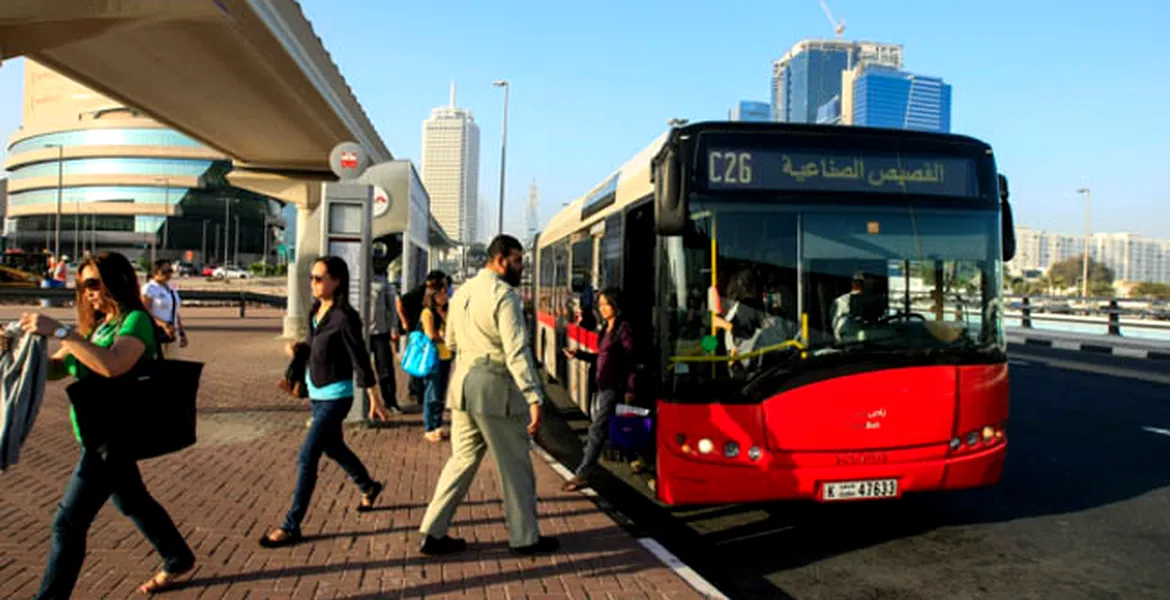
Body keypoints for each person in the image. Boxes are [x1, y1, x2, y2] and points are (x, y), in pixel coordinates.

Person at [19, 251, 195, 597]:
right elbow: (58, 368)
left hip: (111, 438)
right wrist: (20, 351)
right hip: (97, 433)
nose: (88, 293)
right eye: (83, 286)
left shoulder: (135, 322)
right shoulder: (101, 326)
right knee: (132, 501)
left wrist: (61, 330)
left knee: (67, 524)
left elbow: (113, 365)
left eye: (94, 284)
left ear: (118, 281)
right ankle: (177, 556)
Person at [417, 235, 558, 556]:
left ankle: (432, 530)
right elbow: (516, 350)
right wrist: (534, 395)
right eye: (518, 260)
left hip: (464, 384)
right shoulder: (504, 296)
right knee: (515, 466)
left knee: (461, 460)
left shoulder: (463, 291)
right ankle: (525, 538)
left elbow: (450, 340)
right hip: (496, 387)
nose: (522, 267)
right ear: (500, 259)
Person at [259, 256, 390, 548]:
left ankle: (291, 526)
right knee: (334, 448)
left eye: (319, 278)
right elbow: (314, 346)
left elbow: (360, 359)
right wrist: (298, 351)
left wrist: (374, 398)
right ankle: (368, 485)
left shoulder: (345, 317)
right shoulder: (317, 311)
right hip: (317, 393)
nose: (313, 283)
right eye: (312, 278)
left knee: (307, 456)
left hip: (336, 397)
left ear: (336, 281)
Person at [561, 288, 636, 491]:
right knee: (605, 427)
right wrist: (579, 355)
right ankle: (635, 458)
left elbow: (630, 362)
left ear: (616, 305)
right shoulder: (605, 328)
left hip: (613, 386)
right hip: (601, 385)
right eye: (600, 304)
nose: (602, 308)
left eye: (606, 304)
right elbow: (602, 357)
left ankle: (582, 474)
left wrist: (630, 388)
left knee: (596, 429)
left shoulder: (624, 329)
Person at [396, 270, 448, 402]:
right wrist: (404, 321)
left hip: (426, 328)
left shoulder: (437, 294)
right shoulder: (420, 291)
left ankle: (419, 391)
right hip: (418, 329)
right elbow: (400, 302)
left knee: (425, 358)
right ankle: (416, 390)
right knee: (419, 357)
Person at [420, 284, 453, 442]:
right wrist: (445, 337)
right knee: (431, 392)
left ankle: (438, 425)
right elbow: (430, 335)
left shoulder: (446, 311)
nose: (445, 295)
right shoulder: (428, 313)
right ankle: (429, 427)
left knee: (440, 393)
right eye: (442, 293)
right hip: (433, 356)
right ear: (433, 296)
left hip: (446, 356)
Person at [369, 260, 402, 414]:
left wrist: (393, 328)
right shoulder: (353, 281)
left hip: (380, 333)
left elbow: (392, 308)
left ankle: (390, 401)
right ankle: (365, 403)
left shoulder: (383, 283)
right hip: (360, 332)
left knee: (385, 369)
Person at [141, 259, 187, 357]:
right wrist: (163, 324)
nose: (167, 274)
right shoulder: (149, 288)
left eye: (170, 271)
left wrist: (182, 332)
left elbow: (174, 311)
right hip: (156, 334)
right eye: (164, 272)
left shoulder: (171, 288)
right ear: (155, 272)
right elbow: (145, 312)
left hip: (172, 333)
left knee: (172, 367)